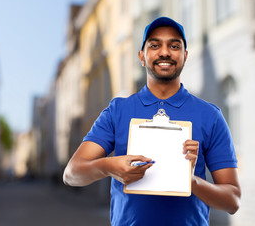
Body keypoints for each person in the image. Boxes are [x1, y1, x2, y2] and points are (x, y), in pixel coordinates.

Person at [63, 17, 241, 225]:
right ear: (141, 56)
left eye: (174, 46)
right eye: (155, 45)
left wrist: (190, 181)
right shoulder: (117, 111)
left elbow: (233, 201)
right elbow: (71, 174)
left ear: (185, 55)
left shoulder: (210, 116)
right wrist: (109, 166)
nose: (164, 52)